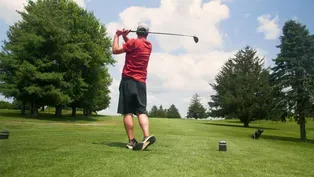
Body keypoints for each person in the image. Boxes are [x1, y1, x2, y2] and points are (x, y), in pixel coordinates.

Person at [111, 23, 156, 150]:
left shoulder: (134, 43)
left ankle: (132, 141)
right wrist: (126, 37)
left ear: (137, 32)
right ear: (147, 34)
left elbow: (115, 50)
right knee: (141, 111)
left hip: (128, 80)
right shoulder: (148, 45)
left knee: (128, 112)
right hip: (141, 82)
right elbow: (133, 46)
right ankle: (147, 136)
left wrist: (117, 35)